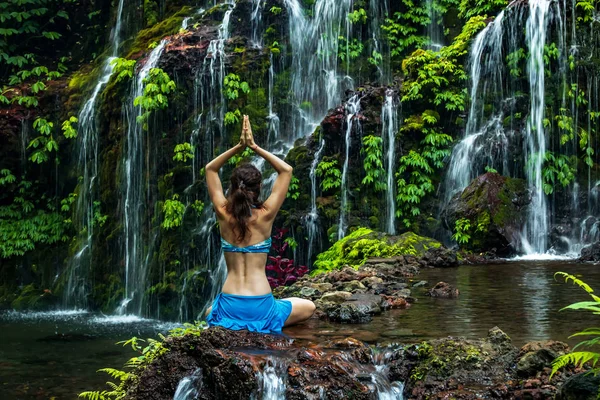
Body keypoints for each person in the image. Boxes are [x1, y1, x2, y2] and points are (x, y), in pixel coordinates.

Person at [204, 115, 316, 333]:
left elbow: (210, 169)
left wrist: (239, 146)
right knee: (309, 306)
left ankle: (228, 320)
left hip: (230, 304)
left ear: (233, 187)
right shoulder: (266, 215)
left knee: (210, 311)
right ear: (258, 189)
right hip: (261, 305)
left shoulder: (222, 213)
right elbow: (286, 170)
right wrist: (254, 147)